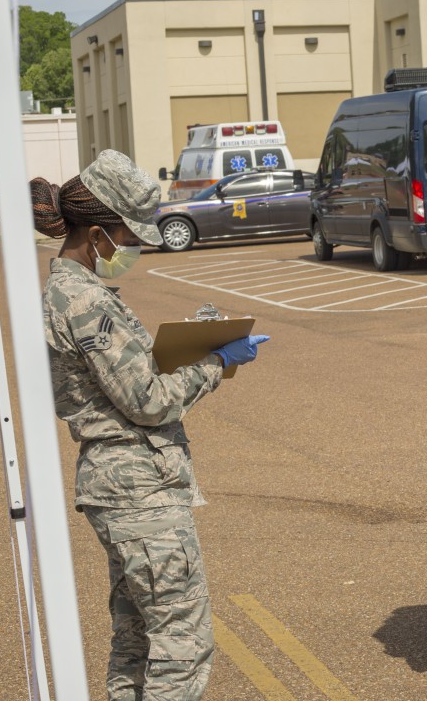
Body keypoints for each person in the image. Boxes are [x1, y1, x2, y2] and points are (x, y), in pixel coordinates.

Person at [33, 149, 270, 701]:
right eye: (129, 236)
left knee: (137, 638)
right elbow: (149, 400)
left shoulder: (73, 291)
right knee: (183, 644)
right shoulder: (83, 300)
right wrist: (216, 362)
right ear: (97, 234)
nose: (134, 247)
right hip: (137, 488)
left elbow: (130, 377)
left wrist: (196, 346)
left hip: (120, 485)